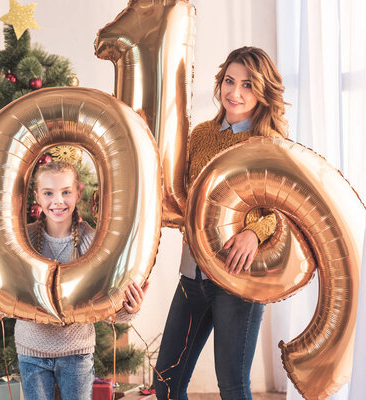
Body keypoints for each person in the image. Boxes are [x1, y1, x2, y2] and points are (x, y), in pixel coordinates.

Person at [153, 46, 288, 400]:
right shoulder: (199, 135)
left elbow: (285, 211)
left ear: (262, 91)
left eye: (247, 84)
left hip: (238, 281)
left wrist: (253, 233)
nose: (235, 93)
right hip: (192, 275)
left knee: (231, 387)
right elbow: (180, 195)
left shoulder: (270, 144)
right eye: (230, 81)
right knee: (165, 384)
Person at [0, 160, 148, 400]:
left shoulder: (94, 243)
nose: (58, 201)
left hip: (77, 354)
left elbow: (109, 304)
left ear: (78, 193)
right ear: (37, 196)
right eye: (49, 193)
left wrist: (130, 310)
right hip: (31, 352)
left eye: (66, 192)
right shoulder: (20, 240)